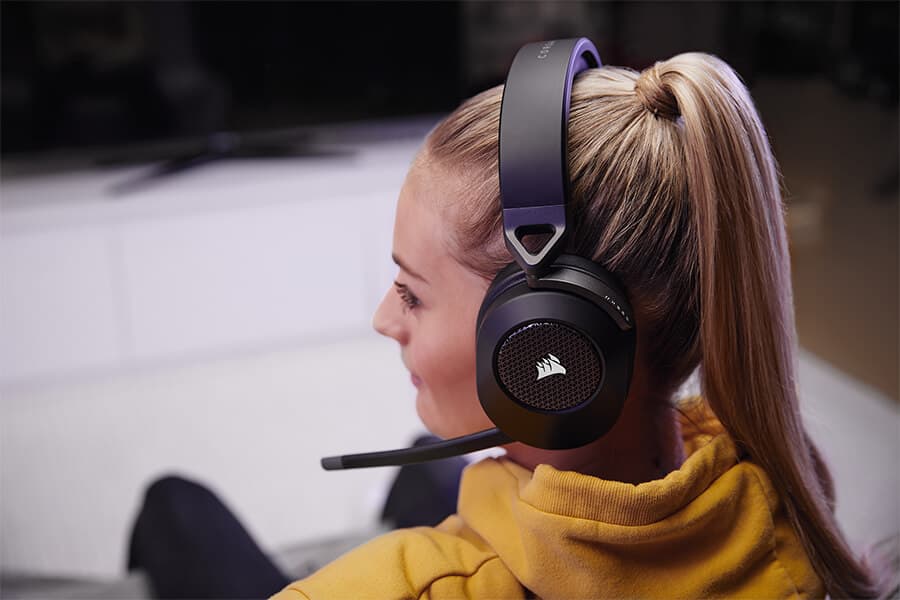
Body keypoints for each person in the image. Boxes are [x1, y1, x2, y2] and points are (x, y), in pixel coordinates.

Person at [270, 51, 886, 599]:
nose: (384, 319)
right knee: (427, 462)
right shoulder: (778, 512)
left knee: (174, 504)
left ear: (550, 335)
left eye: (411, 294)